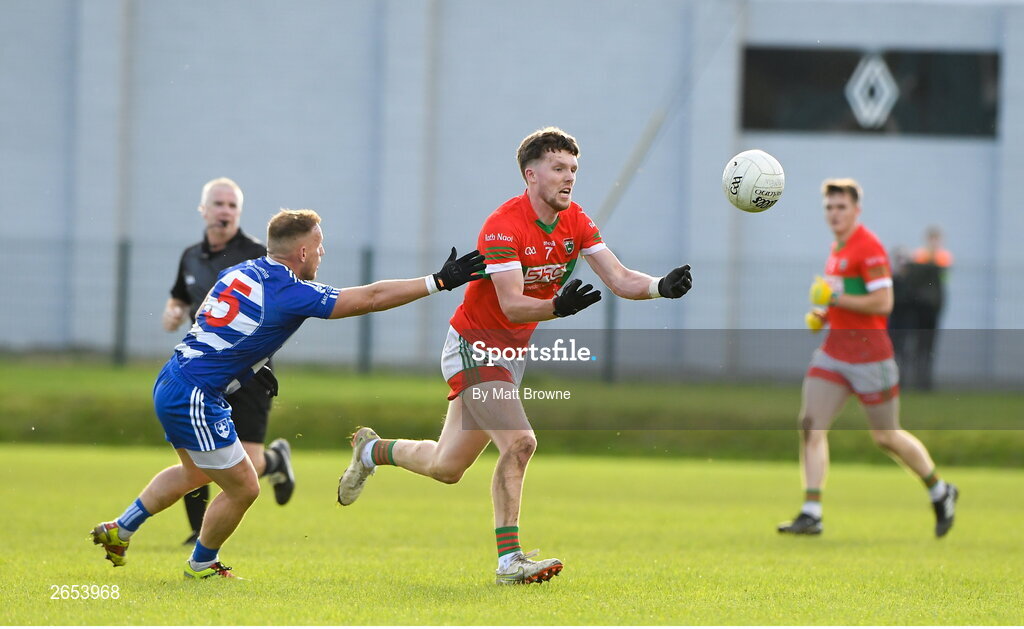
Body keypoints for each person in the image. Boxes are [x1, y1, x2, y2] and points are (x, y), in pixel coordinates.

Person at [336, 127, 694, 585]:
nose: (569, 179)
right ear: (531, 174)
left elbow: (620, 278)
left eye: (574, 170)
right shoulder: (503, 226)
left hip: (509, 356)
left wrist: (660, 287)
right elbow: (510, 304)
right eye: (559, 169)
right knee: (521, 442)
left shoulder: (577, 220)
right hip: (474, 346)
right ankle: (510, 562)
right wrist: (556, 308)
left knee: (447, 467)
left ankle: (371, 450)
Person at [91, 209, 484, 578]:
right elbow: (370, 297)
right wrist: (439, 281)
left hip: (172, 379)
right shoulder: (290, 290)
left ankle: (120, 529)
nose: (322, 252)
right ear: (302, 251)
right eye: (319, 244)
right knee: (244, 487)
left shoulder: (239, 270)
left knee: (195, 472)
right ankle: (201, 565)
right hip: (196, 395)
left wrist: (250, 365)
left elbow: (211, 322)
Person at [780, 179, 958, 538]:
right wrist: (824, 315)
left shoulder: (869, 247)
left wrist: (833, 300)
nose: (834, 213)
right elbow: (840, 298)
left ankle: (940, 490)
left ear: (856, 210)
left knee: (886, 436)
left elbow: (883, 304)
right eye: (829, 207)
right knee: (811, 424)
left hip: (870, 358)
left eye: (841, 207)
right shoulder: (837, 249)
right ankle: (811, 511)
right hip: (834, 354)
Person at [162, 177, 292, 546]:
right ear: (203, 210)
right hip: (202, 370)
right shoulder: (190, 256)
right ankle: (197, 531)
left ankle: (275, 461)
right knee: (195, 454)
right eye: (218, 204)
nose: (225, 211)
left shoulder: (257, 253)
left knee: (245, 461)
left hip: (250, 370)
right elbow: (179, 298)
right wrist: (173, 312)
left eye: (232, 206)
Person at [904, 226, 953, 390]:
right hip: (920, 308)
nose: (934, 242)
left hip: (934, 307)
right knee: (918, 343)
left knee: (929, 345)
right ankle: (916, 379)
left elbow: (944, 278)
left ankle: (926, 381)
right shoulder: (919, 256)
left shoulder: (944, 257)